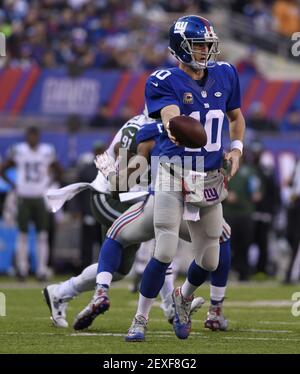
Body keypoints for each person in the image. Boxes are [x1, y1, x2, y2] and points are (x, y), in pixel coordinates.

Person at [44, 120, 231, 332]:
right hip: (122, 198)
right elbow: (121, 183)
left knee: (129, 259)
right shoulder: (152, 129)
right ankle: (179, 303)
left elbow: (125, 183)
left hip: (152, 199)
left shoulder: (171, 126)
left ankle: (75, 292)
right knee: (165, 242)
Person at [125, 15, 245, 342]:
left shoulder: (226, 74)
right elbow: (168, 115)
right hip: (173, 172)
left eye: (208, 45)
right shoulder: (162, 79)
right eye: (199, 45)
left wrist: (235, 148)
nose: (206, 51)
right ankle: (140, 319)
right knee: (164, 250)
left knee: (209, 258)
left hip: (208, 178)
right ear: (181, 48)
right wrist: (173, 126)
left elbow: (236, 116)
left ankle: (183, 296)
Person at [0, 126, 62, 281]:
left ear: (38, 136)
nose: (32, 139)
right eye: (30, 136)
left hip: (40, 197)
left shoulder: (47, 151)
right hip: (23, 197)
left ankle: (41, 269)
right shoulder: (19, 150)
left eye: (35, 136)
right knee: (22, 234)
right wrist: (14, 185)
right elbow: (3, 169)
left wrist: (48, 185)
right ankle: (22, 269)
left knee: (42, 234)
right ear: (26, 136)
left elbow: (60, 170)